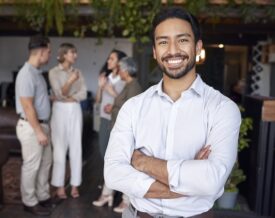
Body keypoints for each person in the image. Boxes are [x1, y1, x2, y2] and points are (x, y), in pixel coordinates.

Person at [104, 7, 241, 218]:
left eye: (183, 40)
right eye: (163, 42)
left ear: (198, 47)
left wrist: (142, 162)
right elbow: (113, 173)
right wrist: (187, 181)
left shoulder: (222, 109)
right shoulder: (133, 107)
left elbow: (211, 180)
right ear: (154, 51)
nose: (172, 50)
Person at [95, 57, 142, 213]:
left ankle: (126, 201)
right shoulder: (129, 85)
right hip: (120, 131)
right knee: (113, 163)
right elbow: (123, 105)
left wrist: (114, 107)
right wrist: (113, 107)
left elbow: (132, 112)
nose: (119, 71)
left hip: (127, 134)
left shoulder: (134, 86)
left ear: (127, 70)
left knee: (125, 166)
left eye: (121, 69)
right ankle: (108, 195)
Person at [15, 35, 52, 216]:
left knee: (45, 163)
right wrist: (38, 131)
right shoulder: (26, 74)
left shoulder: (37, 73)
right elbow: (27, 106)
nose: (50, 55)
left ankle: (42, 196)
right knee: (32, 165)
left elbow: (37, 100)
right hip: (32, 128)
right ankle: (29, 202)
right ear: (42, 51)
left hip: (42, 126)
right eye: (49, 51)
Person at [49, 43, 87, 199]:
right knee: (59, 148)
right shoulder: (53, 72)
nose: (75, 56)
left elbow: (83, 93)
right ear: (64, 54)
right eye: (73, 52)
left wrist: (71, 98)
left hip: (75, 109)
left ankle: (75, 185)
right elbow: (59, 94)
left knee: (76, 147)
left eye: (75, 53)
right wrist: (71, 81)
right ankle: (59, 186)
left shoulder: (79, 72)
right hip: (59, 110)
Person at [92, 49, 127, 208]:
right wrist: (100, 87)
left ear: (119, 62)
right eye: (108, 58)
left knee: (113, 157)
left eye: (111, 58)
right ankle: (110, 189)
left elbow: (122, 101)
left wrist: (108, 88)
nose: (108, 61)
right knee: (103, 154)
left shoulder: (124, 80)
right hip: (104, 120)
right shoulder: (105, 78)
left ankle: (109, 192)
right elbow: (98, 101)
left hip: (116, 122)